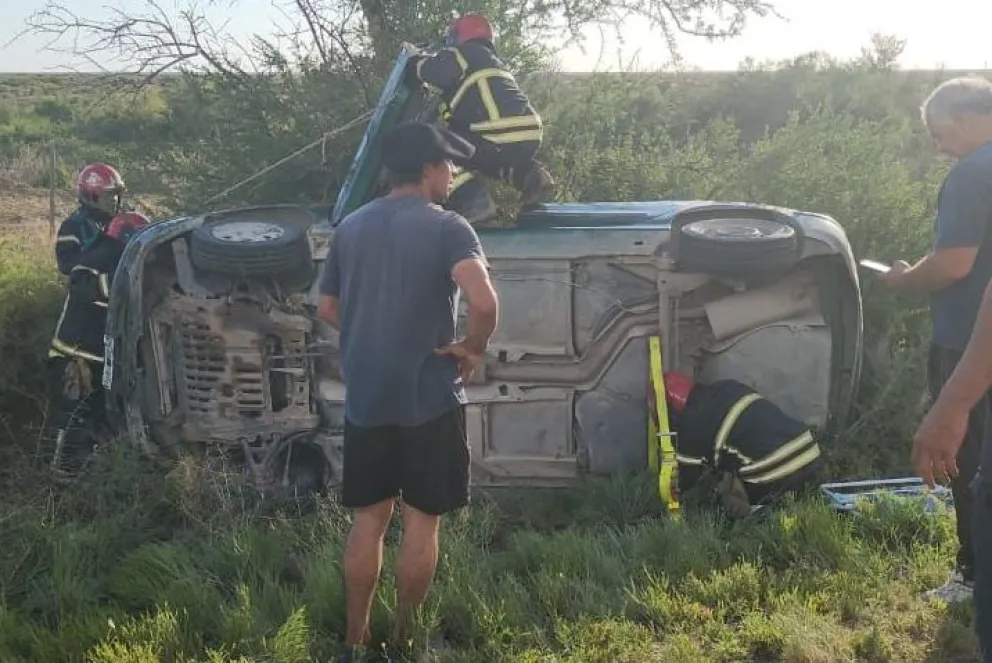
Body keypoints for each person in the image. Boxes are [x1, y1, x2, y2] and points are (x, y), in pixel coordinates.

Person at [316, 121, 500, 662]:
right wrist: (473, 346)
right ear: (427, 170)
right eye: (448, 166)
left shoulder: (350, 228)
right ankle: (404, 642)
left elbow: (326, 308)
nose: (452, 175)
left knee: (368, 521)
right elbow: (484, 302)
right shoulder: (448, 227)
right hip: (428, 402)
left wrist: (370, 335)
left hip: (368, 399)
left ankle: (354, 642)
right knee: (421, 522)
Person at [878, 75, 992, 605]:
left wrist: (903, 279)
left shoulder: (972, 173)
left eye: (938, 132)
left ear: (967, 119)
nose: (937, 145)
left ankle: (971, 576)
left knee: (965, 460)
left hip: (968, 343)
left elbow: (953, 264)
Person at [404, 12, 555, 224]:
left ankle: (473, 202)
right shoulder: (489, 62)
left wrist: (414, 63)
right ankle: (533, 178)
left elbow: (438, 71)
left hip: (500, 130)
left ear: (460, 36)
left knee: (440, 148)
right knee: (488, 160)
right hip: (526, 134)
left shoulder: (464, 53)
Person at [49, 162, 149, 477]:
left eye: (117, 196)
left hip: (104, 345)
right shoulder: (75, 228)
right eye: (109, 196)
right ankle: (61, 483)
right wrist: (105, 268)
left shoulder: (118, 229)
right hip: (76, 348)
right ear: (92, 194)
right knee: (74, 416)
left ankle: (98, 479)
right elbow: (74, 273)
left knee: (104, 417)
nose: (115, 201)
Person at [662, 372, 822, 518]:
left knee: (730, 498)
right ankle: (802, 510)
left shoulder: (690, 426)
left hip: (771, 471)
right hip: (808, 449)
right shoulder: (727, 387)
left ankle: (762, 522)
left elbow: (684, 484)